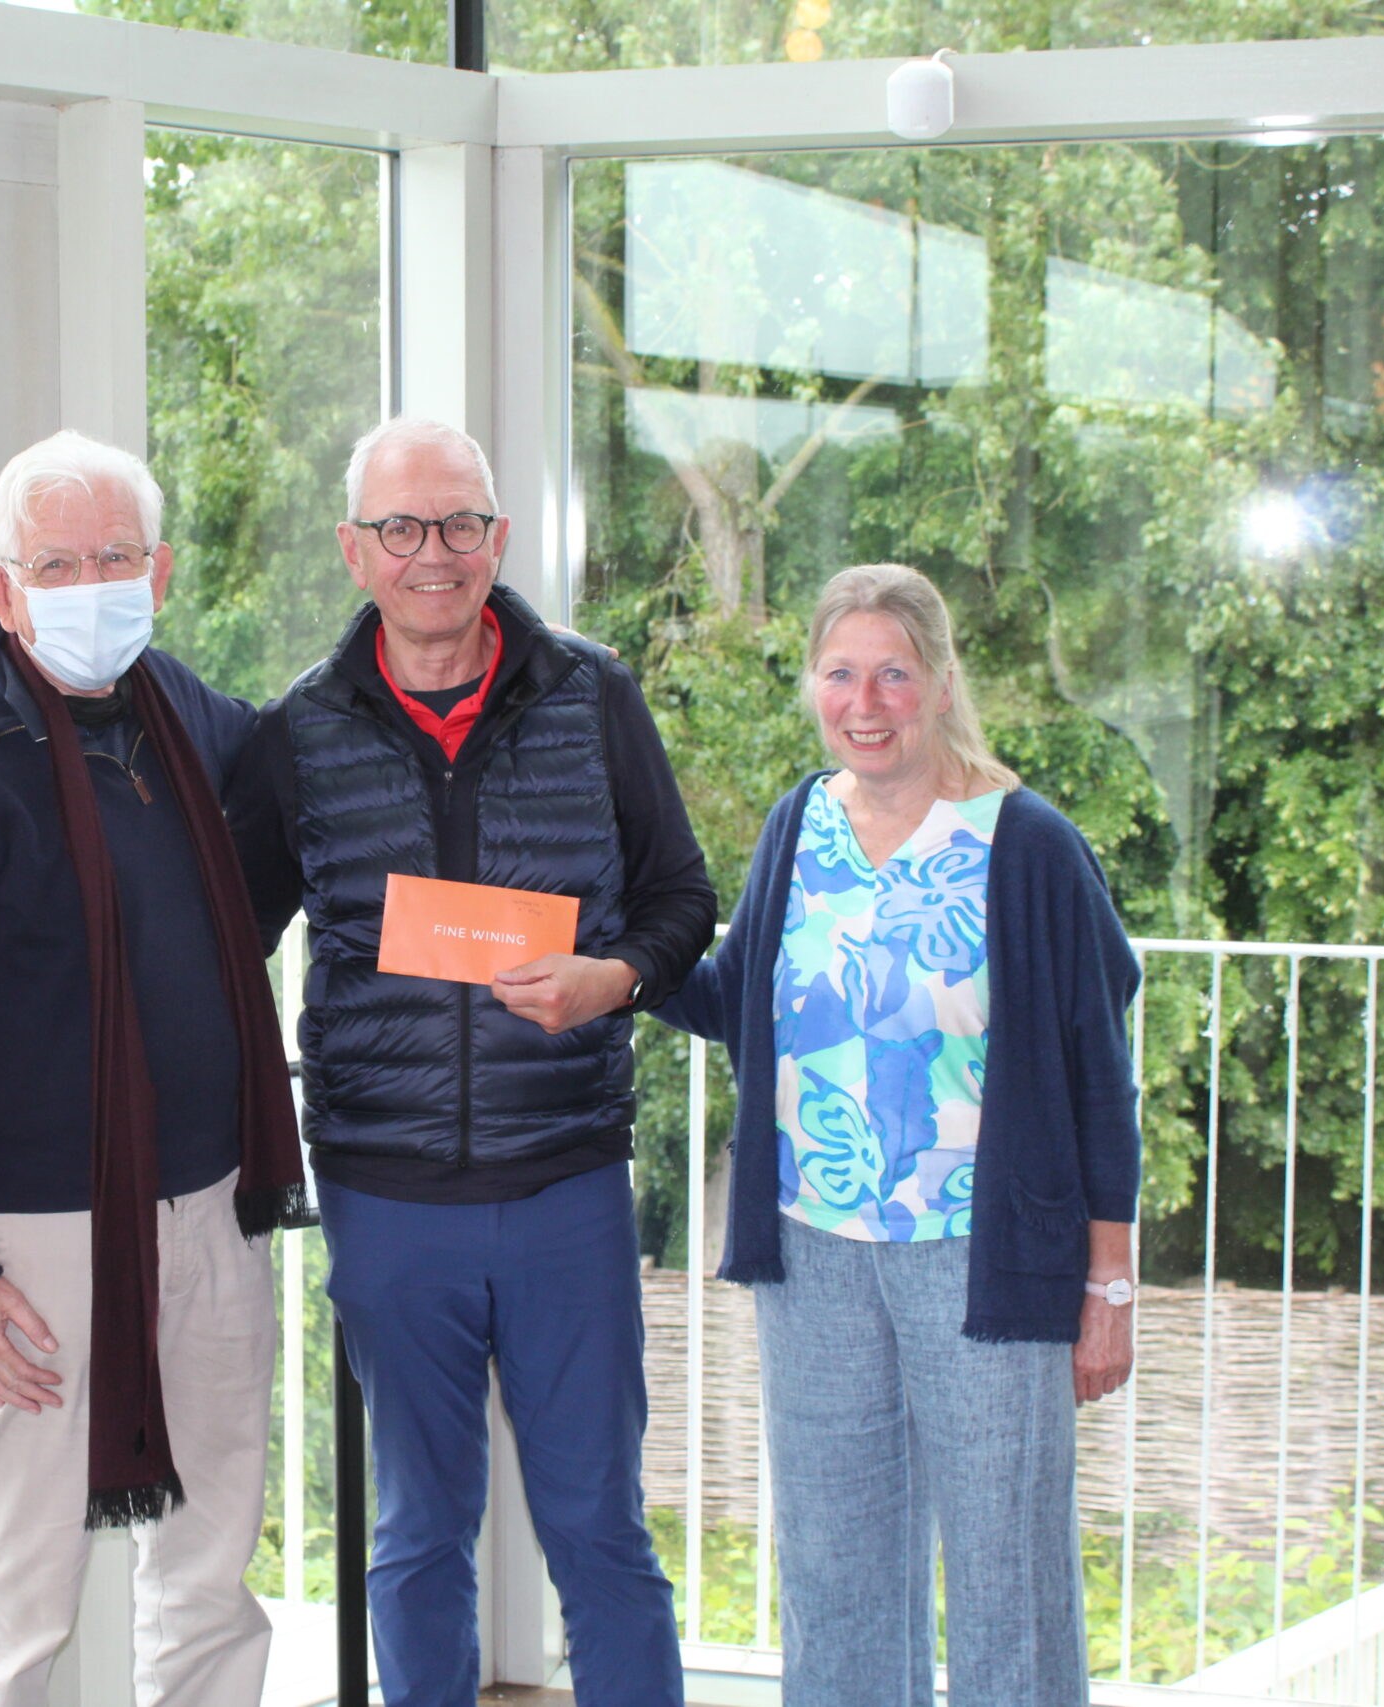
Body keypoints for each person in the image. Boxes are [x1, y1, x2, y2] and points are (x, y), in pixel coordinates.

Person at [227, 416, 717, 1707]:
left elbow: (681, 897)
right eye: (401, 526)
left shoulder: (594, 696)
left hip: (566, 1183)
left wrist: (614, 978)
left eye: (457, 523)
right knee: (416, 1531)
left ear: (496, 540)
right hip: (386, 1197)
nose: (431, 552)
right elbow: (225, 937)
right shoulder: (296, 732)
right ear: (355, 551)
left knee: (599, 1530)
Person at [653, 563, 1140, 1707]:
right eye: (840, 674)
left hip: (982, 1256)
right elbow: (735, 1001)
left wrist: (1108, 1284)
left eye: (892, 675)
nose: (863, 703)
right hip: (811, 1253)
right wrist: (613, 963)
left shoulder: (1026, 845)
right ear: (812, 685)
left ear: (941, 683)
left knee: (1006, 1574)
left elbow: (1095, 1076)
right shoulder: (799, 823)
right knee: (834, 1573)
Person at [0, 429, 303, 1707]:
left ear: (158, 571)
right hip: (41, 1230)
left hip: (211, 1202)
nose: (90, 585)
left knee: (212, 1565)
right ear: (0, 590)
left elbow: (259, 864)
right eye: (55, 565)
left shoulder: (187, 716)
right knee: (19, 1587)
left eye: (115, 557)